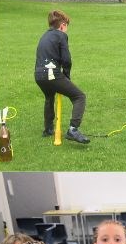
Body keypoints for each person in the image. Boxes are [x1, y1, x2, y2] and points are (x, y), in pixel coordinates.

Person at [34, 9, 90, 144]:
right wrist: (66, 75)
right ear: (63, 25)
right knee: (79, 96)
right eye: (66, 27)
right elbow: (66, 59)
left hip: (38, 75)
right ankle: (73, 129)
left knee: (49, 97)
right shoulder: (61, 35)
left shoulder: (44, 35)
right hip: (51, 74)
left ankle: (48, 129)